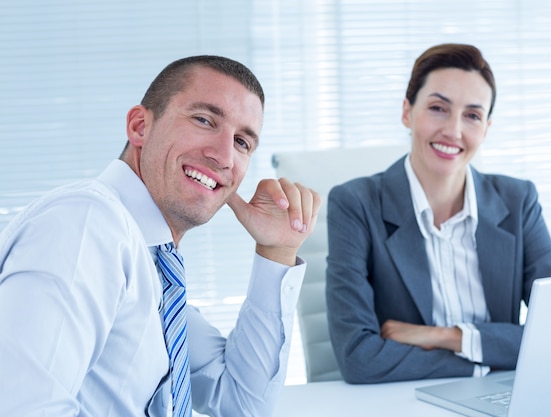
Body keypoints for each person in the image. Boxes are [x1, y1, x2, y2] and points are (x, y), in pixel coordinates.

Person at [0, 56, 321, 416]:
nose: (224, 156)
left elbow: (241, 403)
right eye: (204, 120)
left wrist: (277, 250)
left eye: (243, 142)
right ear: (139, 126)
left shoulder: (152, 263)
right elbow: (21, 407)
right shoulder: (87, 225)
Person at [325, 43, 551, 384]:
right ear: (407, 112)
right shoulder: (355, 204)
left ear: (486, 127)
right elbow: (358, 357)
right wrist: (482, 361)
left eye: (472, 115)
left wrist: (445, 336)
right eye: (438, 108)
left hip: (503, 400)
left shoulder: (518, 201)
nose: (453, 131)